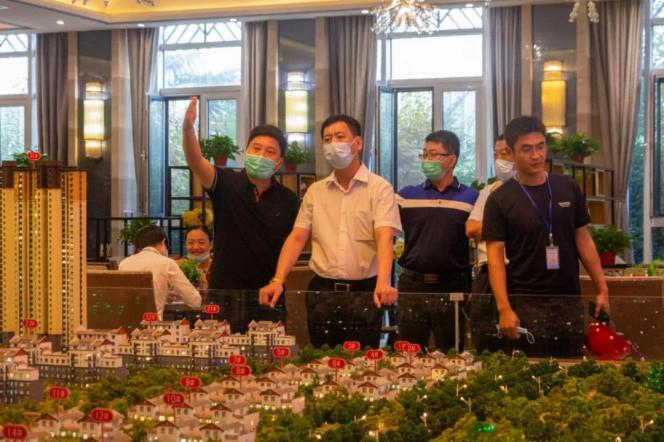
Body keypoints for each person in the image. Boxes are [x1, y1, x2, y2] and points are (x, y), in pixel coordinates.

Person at [258, 114, 402, 348]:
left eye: (339, 137)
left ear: (357, 143)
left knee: (362, 363)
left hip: (364, 291)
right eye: (327, 139)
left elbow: (384, 236)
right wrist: (278, 280)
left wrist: (384, 282)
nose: (333, 143)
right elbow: (297, 238)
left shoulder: (379, 188)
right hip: (321, 292)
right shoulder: (315, 191)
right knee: (322, 359)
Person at [482, 116, 610, 357]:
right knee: (530, 371)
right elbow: (495, 255)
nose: (536, 155)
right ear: (511, 153)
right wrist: (504, 308)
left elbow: (583, 239)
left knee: (571, 369)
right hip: (525, 299)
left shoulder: (567, 187)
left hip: (568, 297)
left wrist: (602, 288)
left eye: (540, 147)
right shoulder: (500, 199)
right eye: (527, 149)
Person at [182, 97, 299, 331]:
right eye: (256, 148)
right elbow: (195, 161)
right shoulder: (225, 182)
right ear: (246, 152)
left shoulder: (289, 199)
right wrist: (187, 129)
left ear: (278, 163)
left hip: (268, 295)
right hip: (224, 293)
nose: (261, 155)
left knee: (269, 351)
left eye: (270, 151)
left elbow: (295, 242)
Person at [396, 130, 479, 351]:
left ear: (451, 160)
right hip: (412, 284)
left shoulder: (472, 198)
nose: (426, 160)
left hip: (452, 284)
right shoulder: (406, 196)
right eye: (424, 154)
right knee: (408, 353)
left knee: (450, 352)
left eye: (433, 154)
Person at [119, 225, 202, 319]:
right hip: (152, 324)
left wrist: (164, 294)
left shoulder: (124, 263)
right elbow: (194, 301)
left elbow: (131, 296)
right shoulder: (167, 263)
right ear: (163, 242)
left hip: (126, 322)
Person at [466, 135, 514, 294]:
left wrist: (488, 229)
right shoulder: (488, 191)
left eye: (505, 153)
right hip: (487, 269)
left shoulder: (528, 191)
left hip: (517, 269)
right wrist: (503, 224)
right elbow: (471, 229)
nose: (499, 159)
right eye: (495, 154)